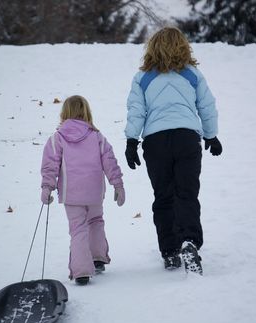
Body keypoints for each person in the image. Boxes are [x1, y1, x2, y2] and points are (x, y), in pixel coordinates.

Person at [124, 27, 222, 275]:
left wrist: (131, 141)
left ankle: (169, 251)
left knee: (164, 196)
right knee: (186, 194)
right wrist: (211, 135)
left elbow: (136, 110)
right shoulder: (192, 74)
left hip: (156, 142)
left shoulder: (143, 77)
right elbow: (207, 106)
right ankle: (189, 241)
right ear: (183, 46)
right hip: (187, 139)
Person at [41, 95, 125, 285]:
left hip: (71, 194)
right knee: (96, 221)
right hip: (94, 192)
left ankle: (81, 271)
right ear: (86, 112)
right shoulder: (96, 136)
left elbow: (50, 165)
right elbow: (110, 161)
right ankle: (97, 258)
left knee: (78, 229)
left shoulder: (58, 138)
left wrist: (47, 186)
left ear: (64, 113)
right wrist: (117, 184)